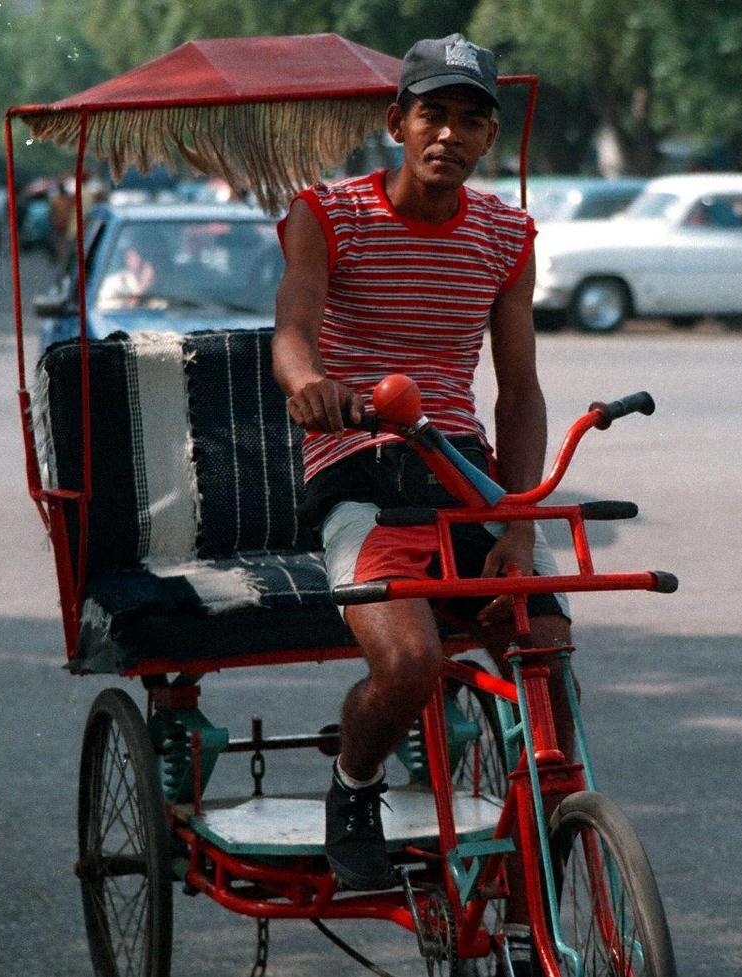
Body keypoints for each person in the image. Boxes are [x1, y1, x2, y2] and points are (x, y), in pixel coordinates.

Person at [272, 32, 572, 972]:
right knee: (408, 664)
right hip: (359, 463)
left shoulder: (504, 236)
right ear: (396, 122)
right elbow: (292, 327)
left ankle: (543, 869)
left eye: (471, 117)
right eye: (432, 113)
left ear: (489, 135)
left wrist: (517, 529)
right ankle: (353, 781)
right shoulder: (329, 214)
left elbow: (518, 395)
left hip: (462, 471)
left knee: (544, 640)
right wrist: (308, 382)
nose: (450, 132)